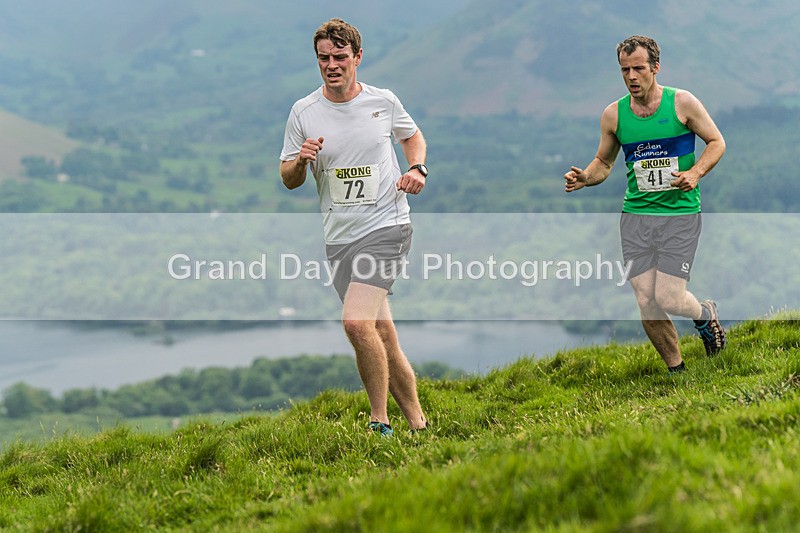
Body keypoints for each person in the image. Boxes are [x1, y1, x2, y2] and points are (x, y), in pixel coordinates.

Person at [279, 18, 428, 435]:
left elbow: (412, 136)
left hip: (388, 225)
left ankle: (379, 422)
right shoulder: (303, 112)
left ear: (358, 58)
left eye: (340, 57)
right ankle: (418, 424)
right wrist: (300, 161)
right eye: (324, 58)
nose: (332, 65)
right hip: (340, 237)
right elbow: (288, 178)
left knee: (356, 323)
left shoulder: (382, 102)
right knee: (382, 333)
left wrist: (417, 167)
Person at [564, 35, 727, 372]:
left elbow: (716, 142)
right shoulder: (614, 115)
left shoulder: (682, 103)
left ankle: (704, 315)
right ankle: (677, 372)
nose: (631, 76)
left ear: (656, 67)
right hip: (636, 218)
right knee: (645, 300)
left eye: (638, 68)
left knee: (668, 297)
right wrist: (585, 178)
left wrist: (695, 172)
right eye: (625, 70)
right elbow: (604, 163)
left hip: (680, 214)